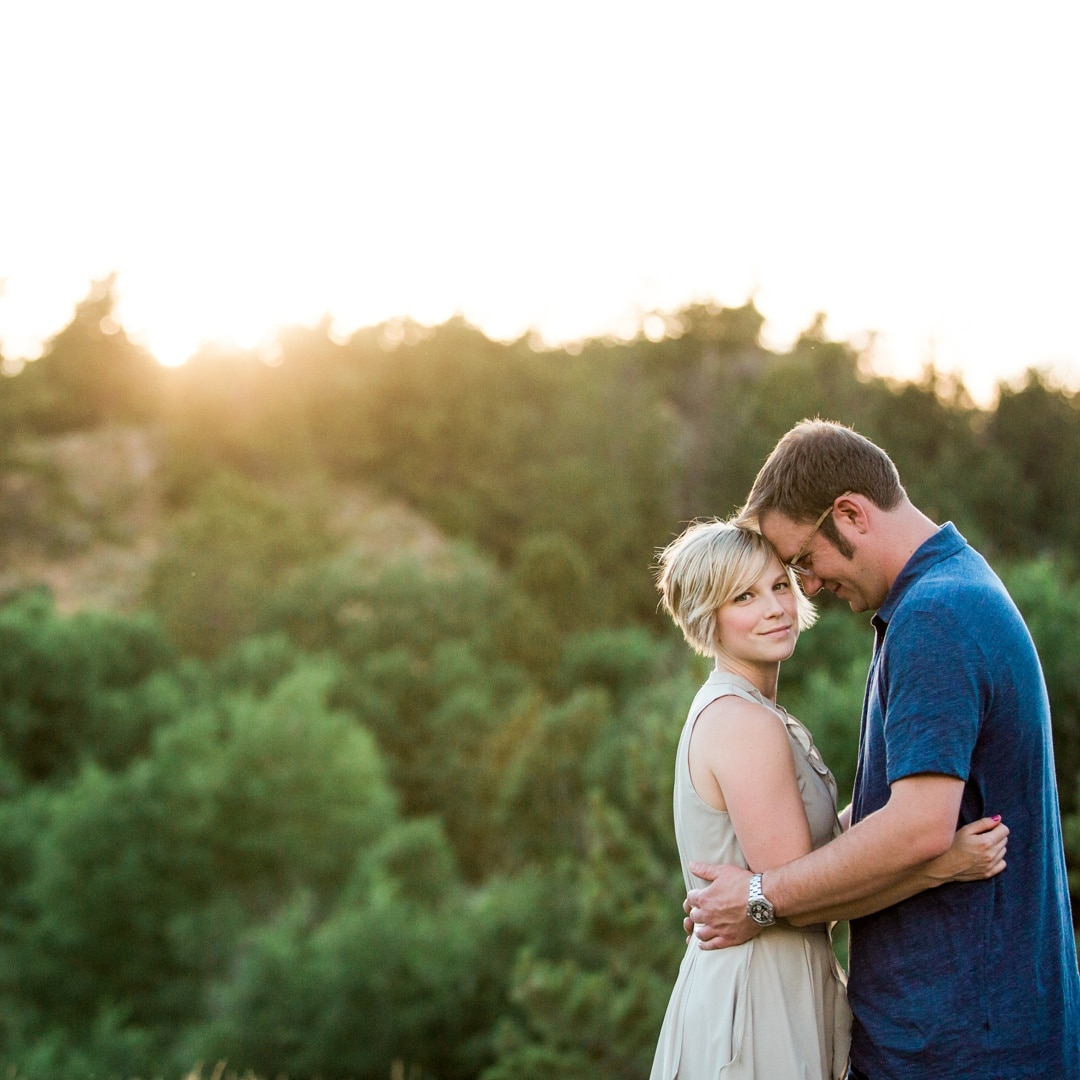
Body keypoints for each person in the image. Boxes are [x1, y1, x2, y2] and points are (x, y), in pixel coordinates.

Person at [683, 419, 1080, 1079]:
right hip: (964, 1033)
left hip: (961, 1047)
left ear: (850, 514)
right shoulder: (950, 588)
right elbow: (896, 816)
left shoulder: (934, 617)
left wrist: (760, 895)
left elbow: (918, 827)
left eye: (803, 559)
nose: (805, 587)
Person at [650, 517, 1008, 1080]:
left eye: (779, 586)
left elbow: (807, 858)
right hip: (756, 1001)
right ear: (706, 616)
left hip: (776, 982)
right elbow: (804, 895)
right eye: (744, 596)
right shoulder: (743, 723)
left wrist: (907, 815)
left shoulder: (750, 710)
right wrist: (941, 864)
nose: (775, 607)